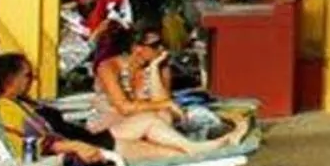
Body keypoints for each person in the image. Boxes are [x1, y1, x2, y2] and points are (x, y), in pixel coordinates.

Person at [90, 29, 246, 152]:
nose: (161, 48)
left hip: (147, 121)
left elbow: (162, 100)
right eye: (155, 45)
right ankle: (195, 148)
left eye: (162, 43)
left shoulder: (161, 67)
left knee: (165, 116)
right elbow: (123, 107)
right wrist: (165, 105)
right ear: (136, 48)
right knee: (160, 115)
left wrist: (153, 68)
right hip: (111, 124)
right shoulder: (109, 67)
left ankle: (194, 149)